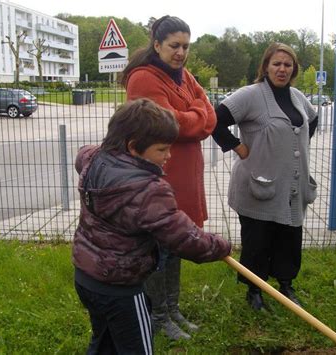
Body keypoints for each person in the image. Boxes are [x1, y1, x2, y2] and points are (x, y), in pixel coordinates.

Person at [72, 98, 231, 354]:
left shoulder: (93, 159)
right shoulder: (148, 189)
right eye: (162, 149)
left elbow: (83, 152)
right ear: (134, 147)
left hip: (86, 276)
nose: (169, 156)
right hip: (121, 288)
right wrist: (221, 246)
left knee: (105, 341)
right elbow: (184, 239)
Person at [121, 16, 216, 339]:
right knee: (157, 250)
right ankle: (157, 316)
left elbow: (209, 117)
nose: (181, 53)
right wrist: (197, 115)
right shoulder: (144, 79)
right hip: (159, 178)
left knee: (174, 246)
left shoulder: (185, 76)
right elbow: (169, 126)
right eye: (174, 46)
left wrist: (195, 117)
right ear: (157, 44)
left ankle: (172, 309)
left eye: (186, 46)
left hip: (185, 177)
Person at [211, 43, 318, 311]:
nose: (282, 69)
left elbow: (311, 121)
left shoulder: (297, 97)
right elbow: (214, 119)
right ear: (266, 66)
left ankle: (285, 285)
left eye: (288, 65)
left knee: (289, 237)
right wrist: (238, 146)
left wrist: (294, 147)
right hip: (258, 185)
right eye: (276, 64)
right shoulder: (250, 95)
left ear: (294, 69)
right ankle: (254, 290)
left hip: (291, 186)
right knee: (257, 241)